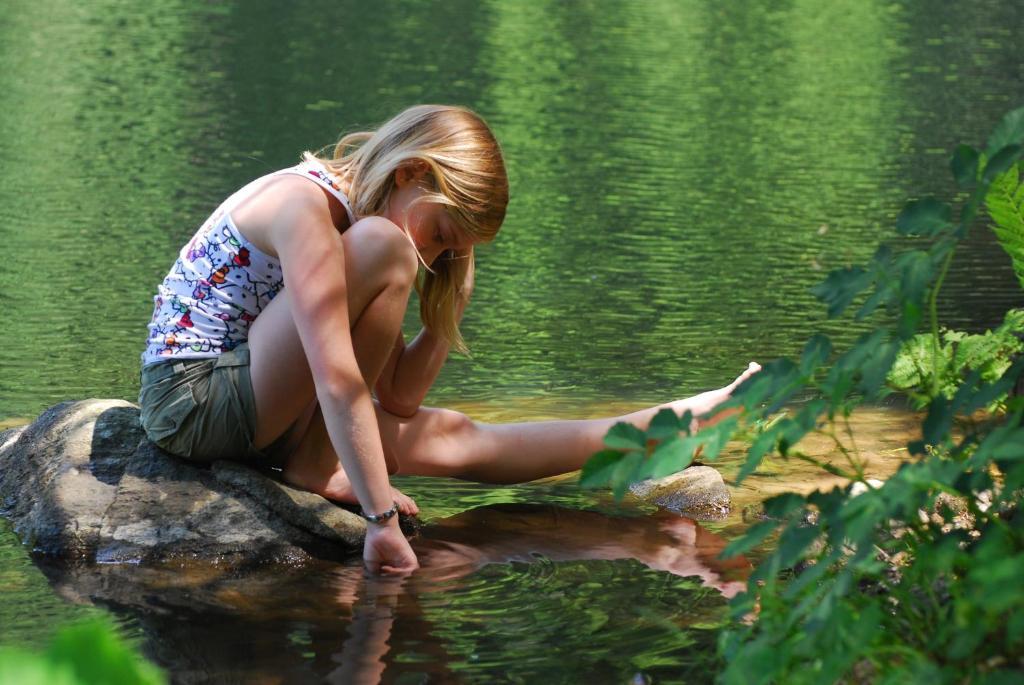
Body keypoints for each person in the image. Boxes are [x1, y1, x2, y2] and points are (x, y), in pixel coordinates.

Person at [138, 104, 760, 576]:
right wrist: (380, 518)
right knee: (386, 247)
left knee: (462, 439)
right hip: (197, 399)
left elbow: (400, 396)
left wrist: (444, 315)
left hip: (262, 402)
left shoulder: (365, 237)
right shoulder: (309, 209)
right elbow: (336, 377)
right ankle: (314, 466)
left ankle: (671, 431)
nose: (431, 255)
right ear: (411, 172)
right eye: (439, 234)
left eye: (451, 251)